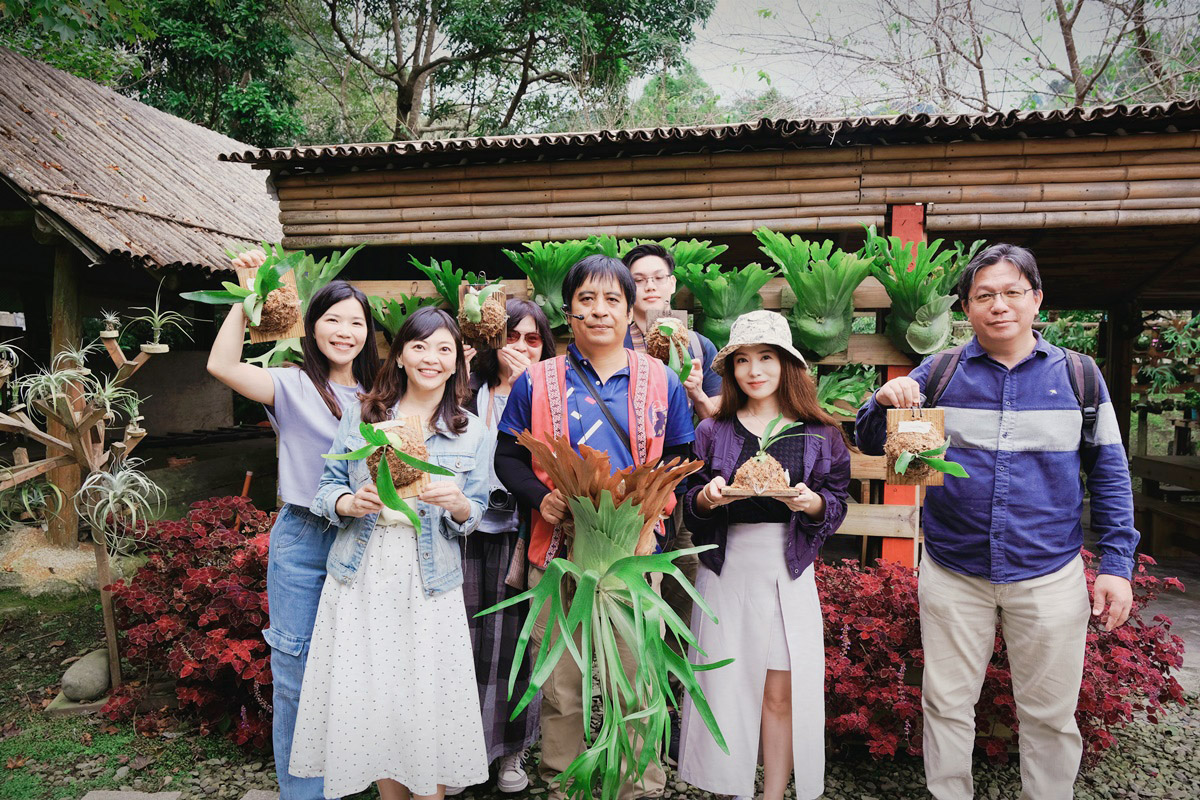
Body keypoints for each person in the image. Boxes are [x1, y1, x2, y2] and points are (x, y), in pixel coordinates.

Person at [855, 243, 1139, 800]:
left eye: (1013, 293)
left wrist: (1117, 564)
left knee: (1051, 716)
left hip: (1049, 574)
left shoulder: (1080, 377)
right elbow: (875, 445)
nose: (999, 305)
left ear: (1037, 301)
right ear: (966, 307)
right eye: (984, 295)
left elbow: (1110, 473)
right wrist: (883, 402)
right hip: (954, 570)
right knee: (946, 705)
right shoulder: (938, 372)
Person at [494, 254, 697, 800]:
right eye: (587, 299)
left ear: (632, 310)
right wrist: (543, 499)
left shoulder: (663, 382)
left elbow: (681, 455)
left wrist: (653, 504)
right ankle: (566, 786)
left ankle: (638, 788)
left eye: (612, 299)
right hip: (557, 557)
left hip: (632, 559)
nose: (599, 310)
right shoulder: (536, 382)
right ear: (569, 310)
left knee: (635, 680)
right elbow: (508, 458)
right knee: (563, 687)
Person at [292, 307, 491, 800]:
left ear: (456, 362)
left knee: (426, 708)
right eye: (420, 346)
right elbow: (326, 488)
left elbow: (479, 509)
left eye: (444, 349)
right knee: (376, 707)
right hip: (362, 575)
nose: (431, 358)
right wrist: (349, 501)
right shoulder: (364, 417)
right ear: (400, 355)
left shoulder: (471, 431)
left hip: (429, 581)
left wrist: (459, 503)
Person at [204, 250, 379, 800]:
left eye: (356, 322)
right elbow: (222, 366)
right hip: (304, 537)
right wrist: (247, 291)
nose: (344, 331)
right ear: (311, 326)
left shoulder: (382, 397)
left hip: (367, 539)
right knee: (297, 676)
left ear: (369, 333)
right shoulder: (291, 383)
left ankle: (350, 785)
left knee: (359, 674)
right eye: (332, 319)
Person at [677, 309, 851, 800]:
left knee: (779, 693)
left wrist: (812, 503)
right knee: (728, 689)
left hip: (789, 569)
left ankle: (773, 795)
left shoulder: (820, 432)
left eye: (767, 358)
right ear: (730, 370)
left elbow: (836, 502)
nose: (754, 370)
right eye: (743, 360)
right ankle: (732, 789)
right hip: (728, 569)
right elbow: (692, 503)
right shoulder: (715, 430)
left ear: (787, 364)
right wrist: (707, 498)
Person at [448, 299, 555, 795]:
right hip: (465, 535)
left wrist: (524, 387)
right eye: (513, 336)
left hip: (524, 533)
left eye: (533, 339)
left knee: (516, 646)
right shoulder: (466, 392)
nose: (521, 347)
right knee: (463, 644)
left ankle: (512, 753)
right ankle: (458, 752)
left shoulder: (551, 398)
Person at [622, 242, 721, 420]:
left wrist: (698, 394)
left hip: (682, 446)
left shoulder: (701, 347)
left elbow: (718, 428)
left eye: (659, 278)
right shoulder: (613, 345)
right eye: (638, 280)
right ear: (627, 288)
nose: (650, 286)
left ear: (672, 283)